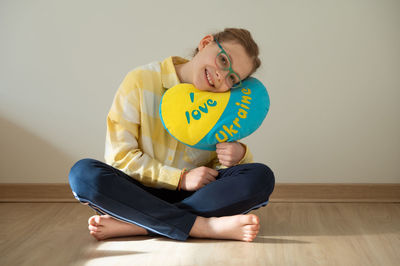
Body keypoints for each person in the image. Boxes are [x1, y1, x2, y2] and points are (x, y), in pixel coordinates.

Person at [68, 28, 275, 242]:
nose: (222, 75)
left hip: (194, 197)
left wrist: (238, 155)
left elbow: (219, 172)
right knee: (83, 174)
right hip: (136, 191)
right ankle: (203, 226)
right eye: (223, 60)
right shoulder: (141, 80)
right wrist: (180, 179)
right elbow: (120, 156)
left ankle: (138, 224)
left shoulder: (224, 106)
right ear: (205, 43)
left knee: (261, 177)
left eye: (232, 78)